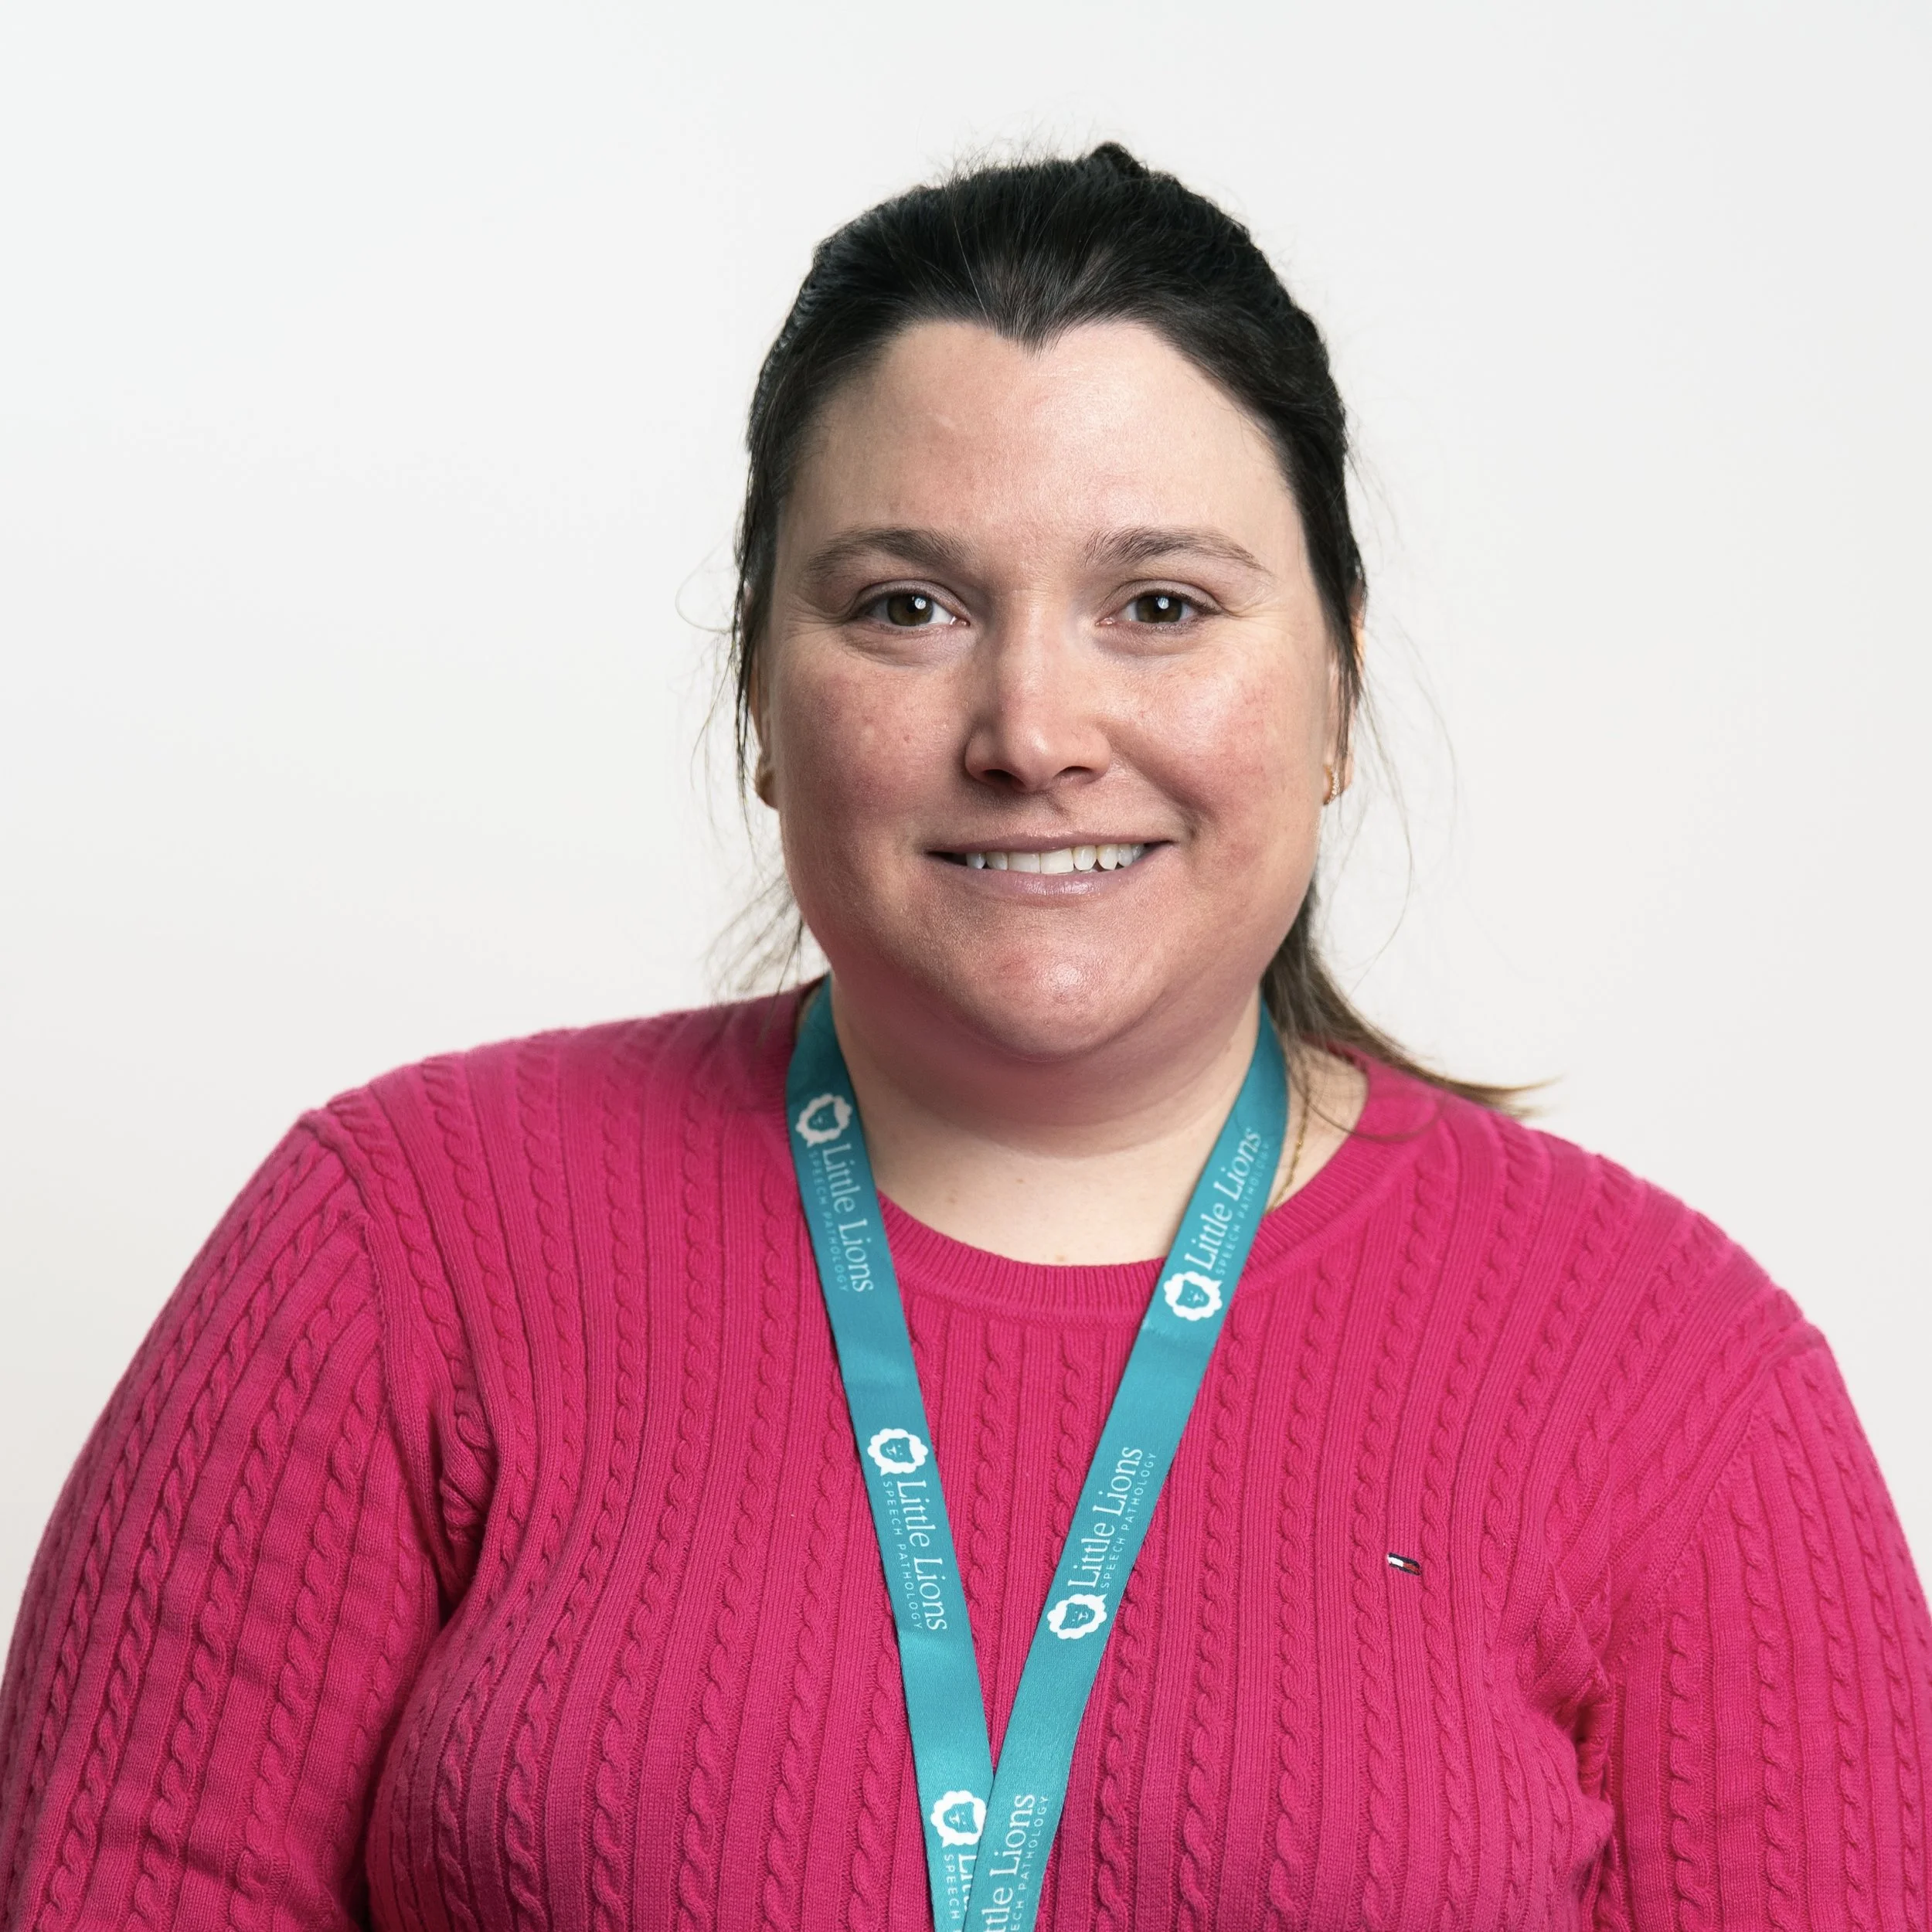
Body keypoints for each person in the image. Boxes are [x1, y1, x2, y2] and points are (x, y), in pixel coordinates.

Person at [1, 144, 1926, 1932]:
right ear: (759, 690)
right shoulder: (396, 1247)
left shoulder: (1670, 1380)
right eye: (906, 604)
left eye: (1157, 604)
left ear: (1336, 680)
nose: (1031, 724)